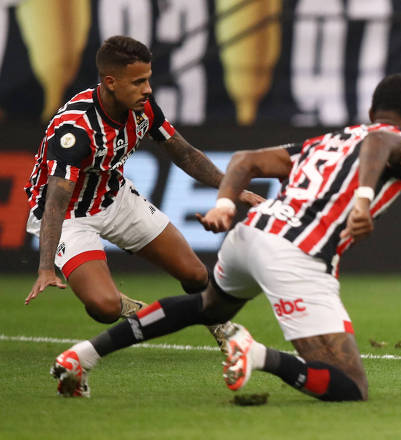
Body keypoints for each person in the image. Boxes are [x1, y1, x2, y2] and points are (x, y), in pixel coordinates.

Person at [50, 73, 401, 400]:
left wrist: (226, 205)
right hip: (296, 252)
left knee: (209, 307)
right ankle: (259, 354)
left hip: (250, 234)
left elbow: (244, 160)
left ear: (368, 114)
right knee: (350, 386)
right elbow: (381, 142)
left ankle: (82, 356)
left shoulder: (322, 144)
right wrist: (362, 201)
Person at [24, 35, 260, 345]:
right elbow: (56, 202)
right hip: (69, 216)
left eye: (147, 79)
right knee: (103, 307)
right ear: (110, 82)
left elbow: (185, 153)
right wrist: (45, 268)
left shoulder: (143, 108)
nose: (147, 89)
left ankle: (221, 327)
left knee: (197, 275)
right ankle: (131, 308)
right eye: (138, 82)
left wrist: (233, 189)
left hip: (115, 197)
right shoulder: (77, 129)